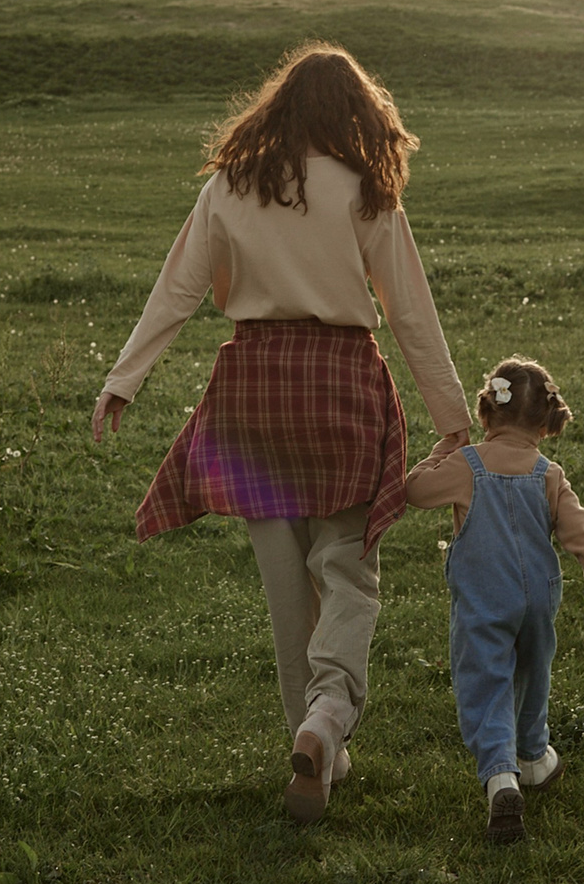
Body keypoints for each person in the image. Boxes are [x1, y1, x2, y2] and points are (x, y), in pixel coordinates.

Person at [92, 43, 472, 826]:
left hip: (255, 388)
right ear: (356, 115)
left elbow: (178, 288)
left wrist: (122, 380)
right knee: (349, 570)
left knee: (284, 589)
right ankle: (327, 719)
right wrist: (453, 418)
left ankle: (314, 748)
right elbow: (408, 309)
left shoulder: (229, 185)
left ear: (277, 106)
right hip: (337, 385)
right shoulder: (365, 189)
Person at [403, 354, 584, 843]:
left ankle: (502, 777)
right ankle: (535, 758)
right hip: (540, 601)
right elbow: (582, 535)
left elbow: (414, 491)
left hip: (485, 600)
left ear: (486, 414)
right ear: (546, 424)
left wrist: (442, 449)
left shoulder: (466, 465)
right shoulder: (549, 473)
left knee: (487, 681)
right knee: (532, 674)